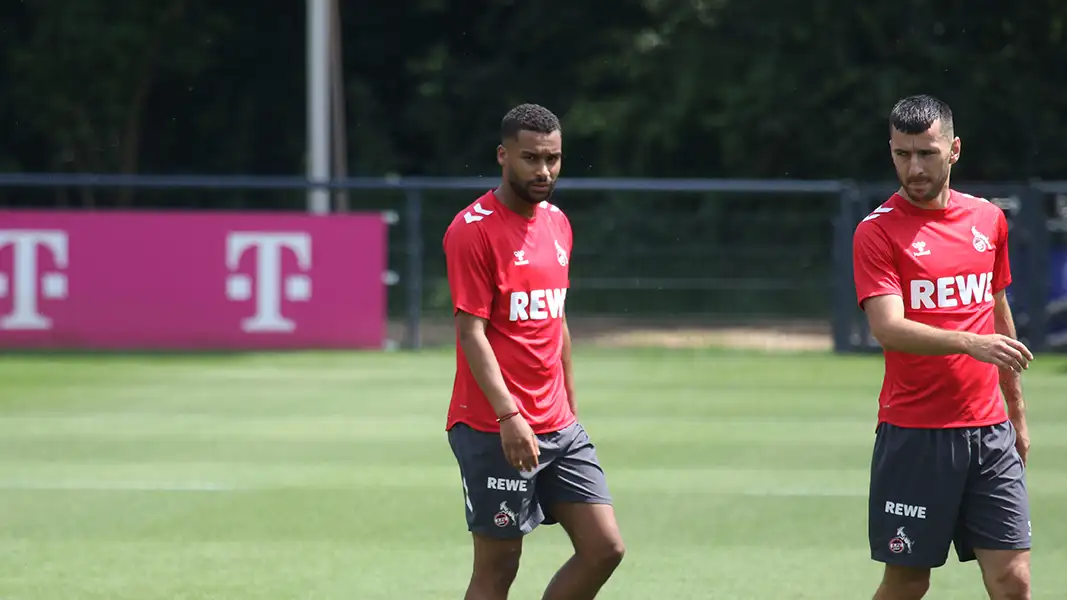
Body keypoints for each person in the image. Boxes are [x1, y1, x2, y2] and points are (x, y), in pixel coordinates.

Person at [852, 94, 1033, 600]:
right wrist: (969, 344)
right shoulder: (877, 231)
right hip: (916, 435)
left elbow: (998, 314)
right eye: (902, 153)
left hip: (990, 433)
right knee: (909, 582)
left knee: (1013, 579)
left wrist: (1015, 413)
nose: (914, 167)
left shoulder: (987, 220)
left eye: (926, 153)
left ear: (954, 149)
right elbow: (887, 327)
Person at [441, 103, 625, 600]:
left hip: (558, 424)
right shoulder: (472, 229)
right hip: (492, 426)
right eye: (530, 159)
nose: (544, 171)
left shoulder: (558, 222)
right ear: (503, 157)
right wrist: (509, 416)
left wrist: (569, 404)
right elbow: (472, 333)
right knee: (499, 568)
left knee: (604, 548)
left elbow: (556, 318)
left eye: (553, 159)